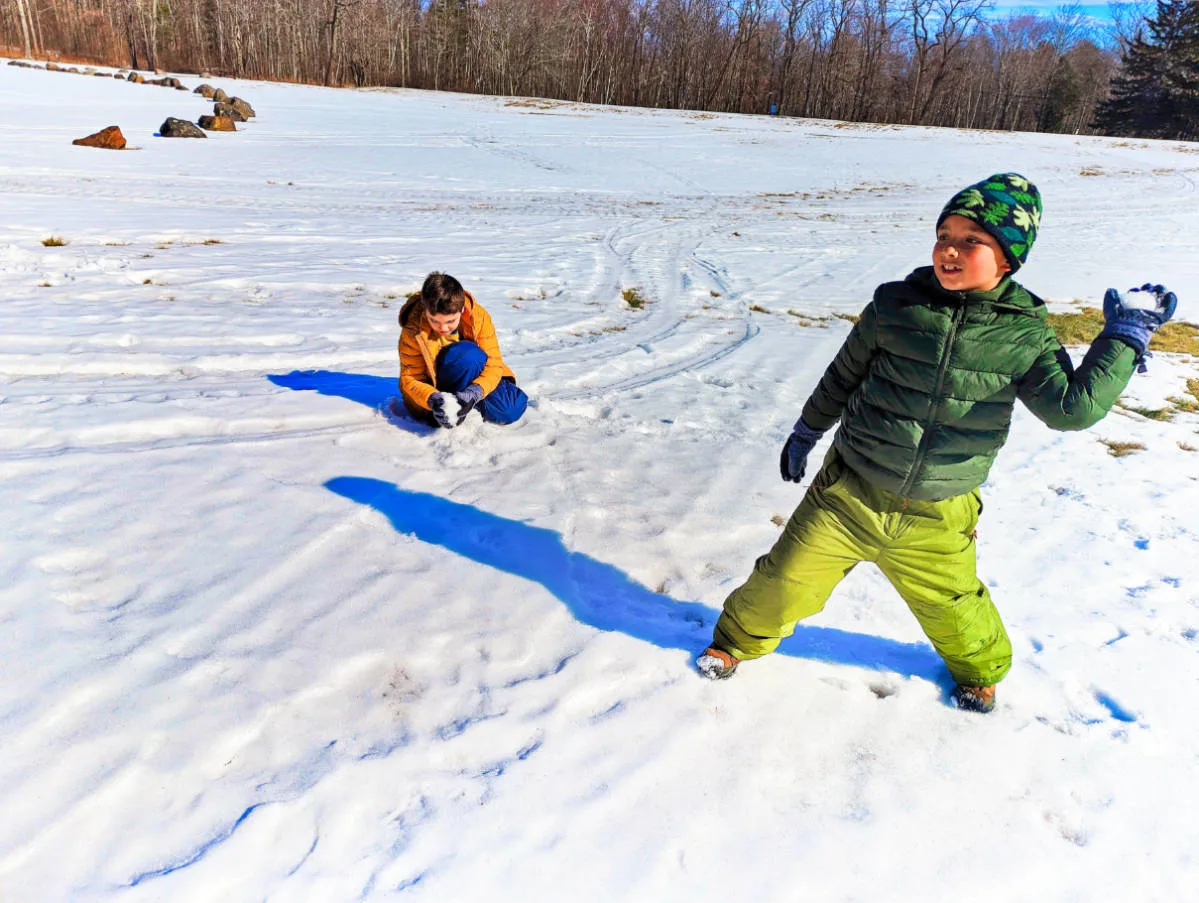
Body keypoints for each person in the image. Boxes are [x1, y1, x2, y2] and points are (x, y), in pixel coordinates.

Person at [696, 173, 1179, 713]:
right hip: (849, 492)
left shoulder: (1025, 335)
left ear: (1008, 259)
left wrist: (1123, 338)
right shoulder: (896, 306)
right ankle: (734, 644)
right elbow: (844, 375)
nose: (951, 249)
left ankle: (980, 674)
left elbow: (1073, 409)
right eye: (944, 234)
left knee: (955, 609)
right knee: (783, 581)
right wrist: (808, 429)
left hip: (940, 513)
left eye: (972, 240)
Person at [398, 272, 528, 428]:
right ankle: (451, 408)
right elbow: (411, 377)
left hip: (473, 376)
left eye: (450, 321)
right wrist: (432, 399)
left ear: (461, 311)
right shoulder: (413, 329)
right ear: (426, 310)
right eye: (434, 321)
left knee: (510, 409)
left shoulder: (479, 317)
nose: (443, 328)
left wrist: (474, 393)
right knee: (467, 355)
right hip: (437, 386)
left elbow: (493, 364)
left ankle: (466, 404)